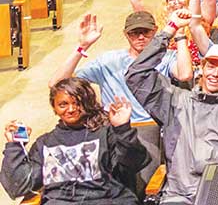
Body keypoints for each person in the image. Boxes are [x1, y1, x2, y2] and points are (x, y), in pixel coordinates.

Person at [125, 9, 218, 204]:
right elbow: (136, 75)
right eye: (211, 66)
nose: (215, 74)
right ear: (202, 68)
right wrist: (169, 30)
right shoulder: (175, 100)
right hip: (179, 195)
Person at [47, 12, 190, 195]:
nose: (140, 37)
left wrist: (180, 35)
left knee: (142, 186)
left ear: (155, 31)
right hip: (111, 131)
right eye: (134, 33)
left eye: (146, 32)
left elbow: (185, 75)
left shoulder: (166, 57)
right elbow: (57, 84)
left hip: (150, 128)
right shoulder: (109, 60)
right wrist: (82, 46)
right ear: (125, 34)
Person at [1, 80, 149, 204]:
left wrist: (122, 129)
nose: (71, 109)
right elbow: (18, 187)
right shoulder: (45, 143)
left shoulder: (105, 133)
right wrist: (14, 147)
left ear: (88, 103)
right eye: (63, 104)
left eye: (77, 103)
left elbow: (134, 163)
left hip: (106, 200)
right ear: (54, 108)